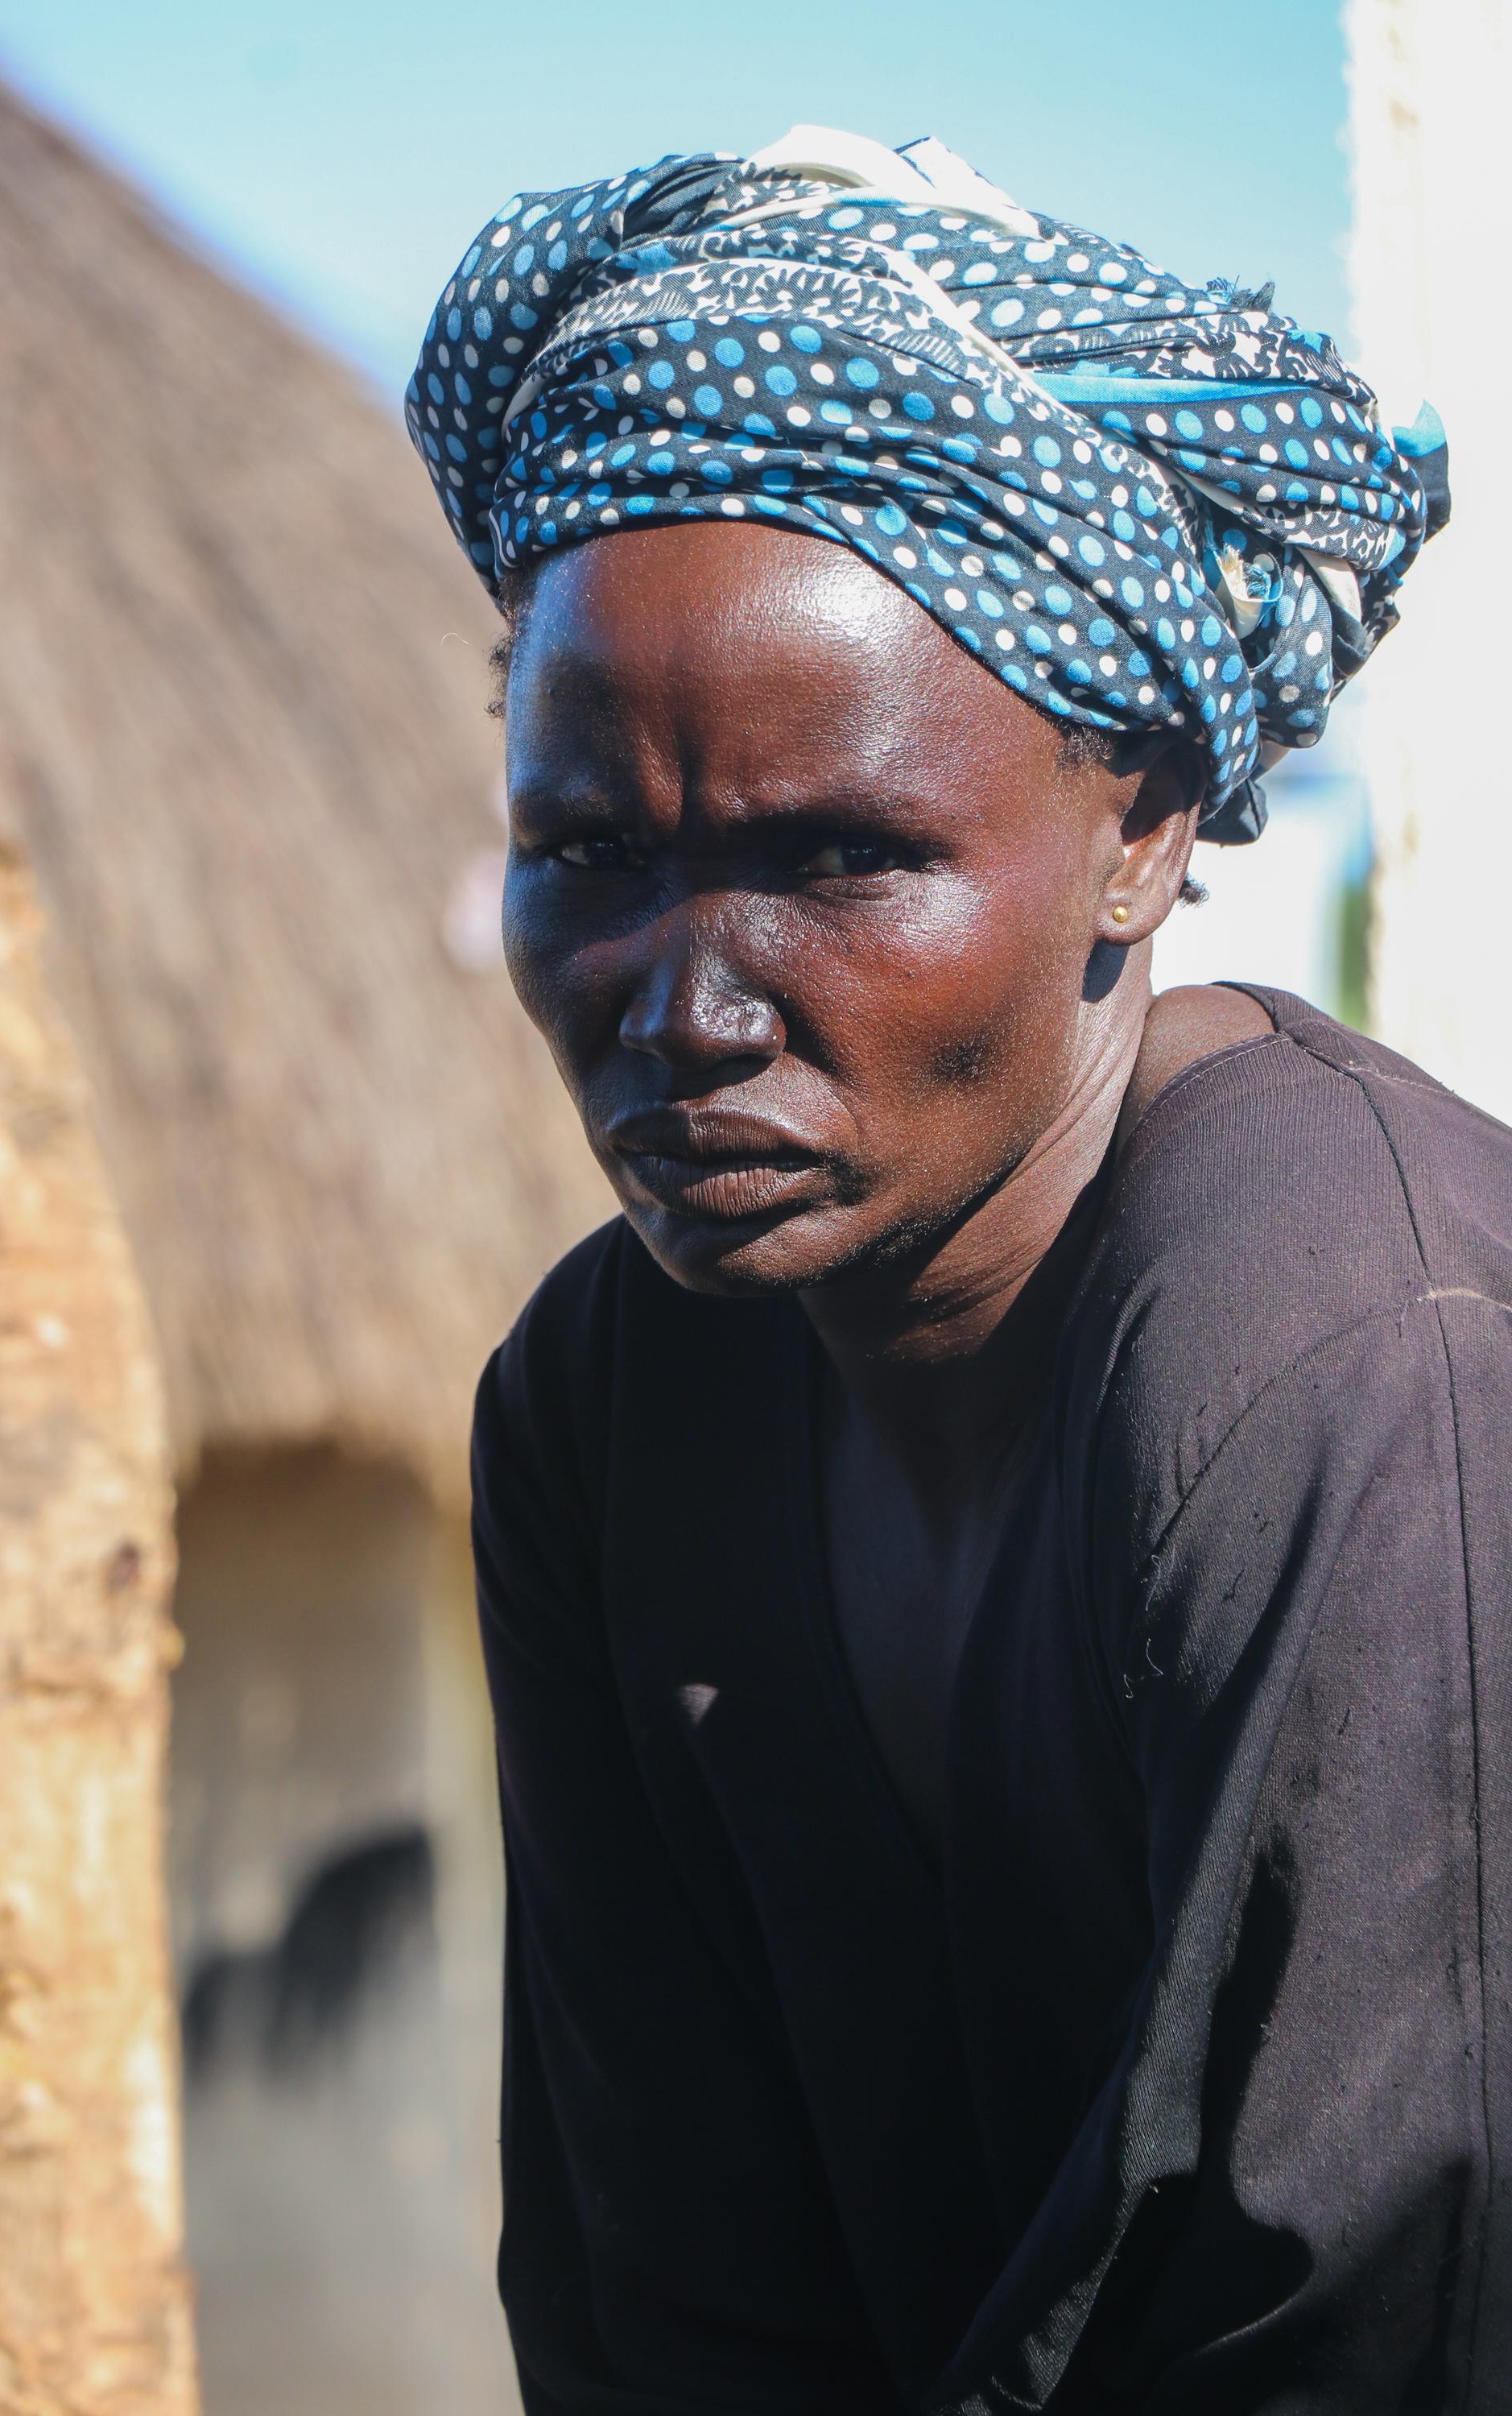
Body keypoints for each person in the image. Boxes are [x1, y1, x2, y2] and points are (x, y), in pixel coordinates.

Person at [407, 128, 1505, 2410]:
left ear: (1142, 832)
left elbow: (1372, 2319)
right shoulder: (610, 1407)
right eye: (586, 853)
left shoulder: (1354, 1368)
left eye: (840, 856)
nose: (683, 1007)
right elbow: (653, 2272)